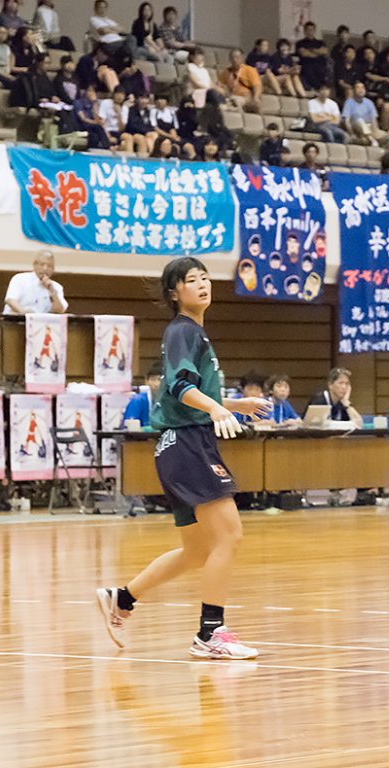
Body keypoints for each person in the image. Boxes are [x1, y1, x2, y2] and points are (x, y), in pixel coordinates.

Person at [95, 256, 271, 659]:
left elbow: (190, 392)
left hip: (178, 445)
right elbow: (177, 387)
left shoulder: (192, 333)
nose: (203, 284)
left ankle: (122, 598)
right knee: (229, 535)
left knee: (197, 551)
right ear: (175, 293)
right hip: (188, 444)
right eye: (192, 280)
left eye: (206, 278)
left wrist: (231, 403)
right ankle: (210, 633)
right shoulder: (183, 331)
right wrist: (215, 410)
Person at [4, 250, 68, 314]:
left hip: (41, 322)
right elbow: (10, 300)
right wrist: (24, 313)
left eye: (49, 266)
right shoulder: (20, 278)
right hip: (16, 320)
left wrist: (52, 291)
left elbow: (59, 310)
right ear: (35, 265)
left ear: (53, 269)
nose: (45, 268)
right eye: (42, 264)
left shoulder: (57, 287)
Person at [123, 360, 163, 429]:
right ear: (146, 381)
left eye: (159, 380)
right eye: (152, 380)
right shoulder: (137, 400)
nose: (156, 384)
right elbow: (130, 427)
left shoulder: (172, 401)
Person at [220, 48, 261, 113]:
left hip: (245, 98)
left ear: (242, 58)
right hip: (230, 96)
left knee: (235, 101)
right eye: (232, 58)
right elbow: (220, 85)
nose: (234, 60)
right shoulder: (226, 72)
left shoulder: (250, 70)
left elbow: (256, 86)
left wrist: (256, 97)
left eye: (237, 57)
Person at [295, 22, 332, 92]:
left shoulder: (320, 42)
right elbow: (304, 53)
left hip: (320, 67)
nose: (310, 32)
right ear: (304, 31)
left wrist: (310, 50)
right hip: (307, 66)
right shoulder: (300, 43)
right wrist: (317, 53)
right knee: (308, 70)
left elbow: (324, 51)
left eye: (311, 30)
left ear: (314, 31)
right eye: (308, 30)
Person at [342, 81, 379, 145]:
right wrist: (352, 134)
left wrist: (375, 131)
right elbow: (347, 121)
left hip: (369, 126)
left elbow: (374, 120)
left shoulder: (369, 102)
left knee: (387, 136)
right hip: (355, 126)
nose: (360, 90)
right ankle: (370, 138)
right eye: (358, 88)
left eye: (362, 88)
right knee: (360, 121)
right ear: (353, 91)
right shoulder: (349, 102)